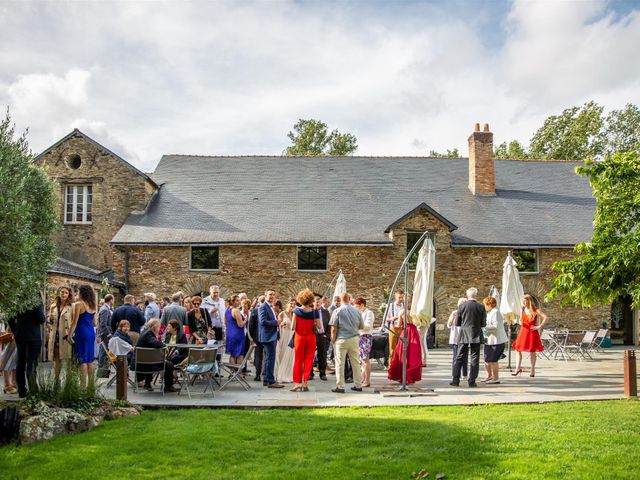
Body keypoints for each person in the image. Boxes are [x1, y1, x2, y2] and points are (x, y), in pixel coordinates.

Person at [8, 296, 46, 398]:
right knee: (32, 362)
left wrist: (15, 330)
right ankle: (33, 390)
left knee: (21, 362)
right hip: (33, 335)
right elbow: (41, 319)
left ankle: (21, 390)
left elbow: (10, 318)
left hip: (20, 335)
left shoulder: (17, 300)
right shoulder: (36, 301)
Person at [450, 287, 486, 388]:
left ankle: (455, 380)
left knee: (459, 356)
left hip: (464, 333)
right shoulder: (481, 307)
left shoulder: (461, 306)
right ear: (476, 295)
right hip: (476, 333)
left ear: (467, 295)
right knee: (475, 357)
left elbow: (457, 323)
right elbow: (483, 324)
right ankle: (472, 381)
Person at [329, 292, 364, 393]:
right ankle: (358, 385)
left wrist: (333, 339)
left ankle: (340, 386)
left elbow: (333, 328)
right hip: (354, 338)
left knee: (340, 363)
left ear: (340, 299)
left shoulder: (337, 311)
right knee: (356, 363)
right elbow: (361, 326)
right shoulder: (357, 311)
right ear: (350, 299)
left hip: (341, 339)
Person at [289, 289, 322, 392]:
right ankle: (305, 383)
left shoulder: (296, 311)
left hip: (299, 337)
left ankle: (297, 383)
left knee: (298, 360)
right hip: (311, 338)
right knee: (308, 360)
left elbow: (292, 327)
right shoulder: (314, 312)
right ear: (311, 300)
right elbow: (320, 326)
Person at [134, 319, 179, 393]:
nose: (160, 329)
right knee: (169, 365)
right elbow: (155, 343)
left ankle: (147, 384)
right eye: (159, 327)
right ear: (154, 327)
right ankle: (168, 386)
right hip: (144, 365)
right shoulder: (149, 334)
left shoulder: (145, 332)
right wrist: (164, 346)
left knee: (152, 359)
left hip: (141, 362)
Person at [388, 294, 423, 384]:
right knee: (413, 354)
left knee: (403, 354)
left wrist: (392, 322)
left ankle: (402, 375)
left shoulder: (401, 312)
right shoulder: (415, 312)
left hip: (405, 332)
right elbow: (419, 323)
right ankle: (410, 375)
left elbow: (399, 325)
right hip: (414, 332)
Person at [69, 284, 98, 388]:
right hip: (91, 332)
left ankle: (83, 387)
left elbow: (74, 322)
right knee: (90, 359)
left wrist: (69, 335)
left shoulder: (79, 304)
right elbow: (95, 323)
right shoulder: (93, 305)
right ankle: (91, 386)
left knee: (82, 360)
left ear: (81, 293)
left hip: (81, 332)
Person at [512, 294, 548, 377]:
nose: (523, 302)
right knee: (518, 349)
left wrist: (539, 326)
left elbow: (546, 317)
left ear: (529, 301)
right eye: (522, 301)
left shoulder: (535, 310)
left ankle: (532, 370)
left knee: (532, 351)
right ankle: (517, 368)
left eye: (524, 300)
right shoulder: (523, 309)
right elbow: (521, 320)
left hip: (532, 332)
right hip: (523, 331)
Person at [258, 289, 284, 388]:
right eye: (270, 294)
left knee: (269, 359)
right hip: (268, 337)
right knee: (270, 359)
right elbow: (262, 321)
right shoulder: (263, 307)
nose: (272, 296)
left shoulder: (270, 307)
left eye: (273, 294)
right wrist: (276, 322)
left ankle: (266, 379)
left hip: (272, 335)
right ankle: (270, 381)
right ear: (265, 296)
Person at [47, 286, 74, 377]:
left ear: (69, 294)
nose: (64, 294)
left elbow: (74, 322)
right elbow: (49, 323)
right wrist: (50, 319)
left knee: (68, 360)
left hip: (66, 336)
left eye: (66, 292)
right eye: (62, 292)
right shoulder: (53, 306)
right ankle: (56, 382)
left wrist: (72, 334)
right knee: (57, 359)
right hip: (55, 336)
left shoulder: (72, 307)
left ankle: (68, 384)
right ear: (58, 293)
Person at [482, 296, 508, 384]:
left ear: (489, 304)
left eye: (485, 304)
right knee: (487, 359)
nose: (484, 306)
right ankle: (489, 376)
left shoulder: (496, 312)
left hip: (496, 340)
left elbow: (495, 326)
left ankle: (496, 378)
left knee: (493, 360)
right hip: (489, 339)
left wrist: (483, 327)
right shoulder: (489, 312)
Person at [355, 297, 375, 388]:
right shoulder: (361, 313)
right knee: (361, 360)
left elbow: (368, 327)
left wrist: (357, 325)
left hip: (366, 337)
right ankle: (363, 379)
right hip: (360, 337)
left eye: (357, 307)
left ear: (362, 305)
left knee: (365, 360)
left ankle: (367, 381)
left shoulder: (369, 313)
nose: (356, 309)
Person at [276, 298, 296, 384]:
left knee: (291, 357)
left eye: (294, 304)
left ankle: (289, 375)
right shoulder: (282, 314)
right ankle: (280, 375)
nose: (292, 305)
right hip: (284, 336)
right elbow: (277, 324)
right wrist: (281, 324)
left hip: (292, 337)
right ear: (287, 304)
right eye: (291, 303)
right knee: (282, 355)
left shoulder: (295, 314)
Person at [447, 298, 468, 380]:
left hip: (464, 338)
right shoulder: (454, 313)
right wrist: (452, 317)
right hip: (455, 338)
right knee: (456, 357)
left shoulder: (466, 313)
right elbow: (448, 325)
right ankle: (455, 374)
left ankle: (464, 374)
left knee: (464, 357)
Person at [313, 294, 331, 381]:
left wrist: (326, 335)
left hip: (322, 336)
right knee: (311, 355)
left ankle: (322, 373)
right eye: (316, 302)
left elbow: (329, 325)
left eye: (319, 302)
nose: (317, 304)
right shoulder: (310, 312)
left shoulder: (326, 312)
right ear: (313, 303)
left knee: (322, 355)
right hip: (312, 335)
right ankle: (310, 373)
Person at [225, 295, 247, 365]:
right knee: (240, 354)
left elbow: (225, 323)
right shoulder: (236, 310)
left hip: (230, 333)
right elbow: (240, 324)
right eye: (237, 301)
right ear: (232, 302)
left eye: (239, 300)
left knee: (232, 354)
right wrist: (246, 320)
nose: (239, 302)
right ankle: (238, 373)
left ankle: (232, 373)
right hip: (238, 334)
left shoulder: (227, 310)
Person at [248, 295, 265, 382]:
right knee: (266, 356)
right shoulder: (269, 310)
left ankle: (258, 375)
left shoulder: (255, 311)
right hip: (266, 337)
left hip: (257, 337)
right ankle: (265, 374)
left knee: (258, 356)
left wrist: (252, 337)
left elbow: (251, 326)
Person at [97, 293, 114, 375]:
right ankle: (102, 370)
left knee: (105, 351)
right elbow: (103, 324)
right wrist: (109, 334)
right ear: (111, 300)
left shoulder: (106, 308)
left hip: (105, 333)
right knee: (104, 351)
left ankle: (105, 369)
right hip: (105, 334)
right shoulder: (105, 309)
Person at [386, 290, 405, 364]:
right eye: (399, 297)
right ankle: (391, 365)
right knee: (392, 348)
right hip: (393, 328)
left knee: (402, 348)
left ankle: (400, 365)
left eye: (402, 297)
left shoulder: (404, 306)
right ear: (395, 297)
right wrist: (392, 318)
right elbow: (386, 319)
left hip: (402, 328)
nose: (401, 299)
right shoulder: (390, 306)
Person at [0, 322, 17, 394]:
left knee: (15, 359)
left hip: (14, 331)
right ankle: (7, 384)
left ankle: (14, 383)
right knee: (6, 358)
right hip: (12, 331)